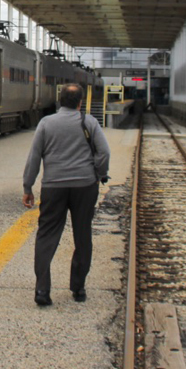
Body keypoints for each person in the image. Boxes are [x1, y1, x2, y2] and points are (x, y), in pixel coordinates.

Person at [22, 83, 110, 307]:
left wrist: (28, 186)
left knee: (47, 236)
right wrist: (99, 173)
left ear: (60, 100)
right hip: (85, 187)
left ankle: (42, 289)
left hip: (53, 186)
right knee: (82, 235)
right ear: (80, 102)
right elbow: (104, 152)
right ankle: (78, 288)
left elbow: (34, 157)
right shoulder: (89, 122)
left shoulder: (46, 123)